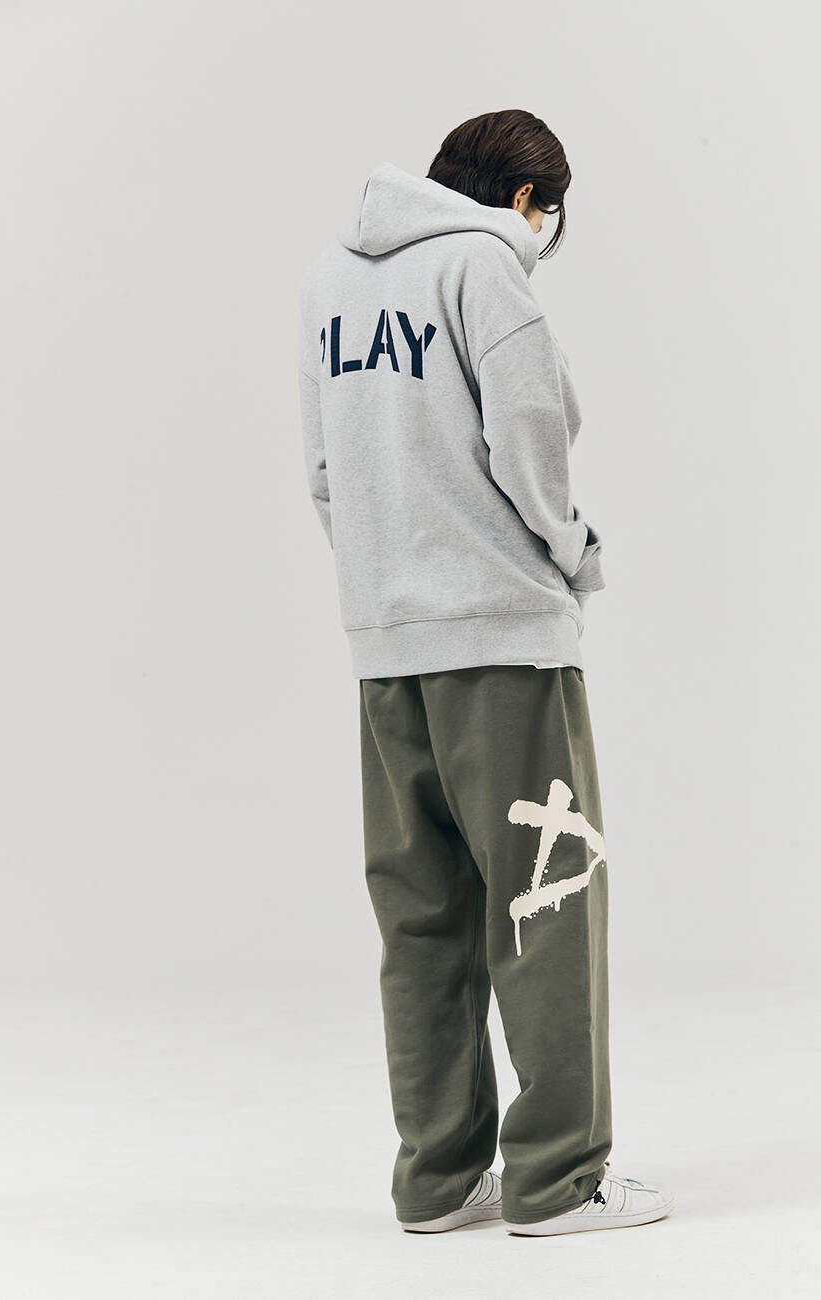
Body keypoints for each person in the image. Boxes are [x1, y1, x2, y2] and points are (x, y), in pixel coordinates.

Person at [297, 109, 674, 1237]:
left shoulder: (331, 280)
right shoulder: (483, 266)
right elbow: (528, 438)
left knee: (423, 916)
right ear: (525, 201)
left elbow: (325, 471)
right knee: (546, 901)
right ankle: (558, 1178)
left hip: (386, 648)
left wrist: (385, 582)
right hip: (502, 640)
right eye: (548, 216)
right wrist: (572, 549)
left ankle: (439, 1176)